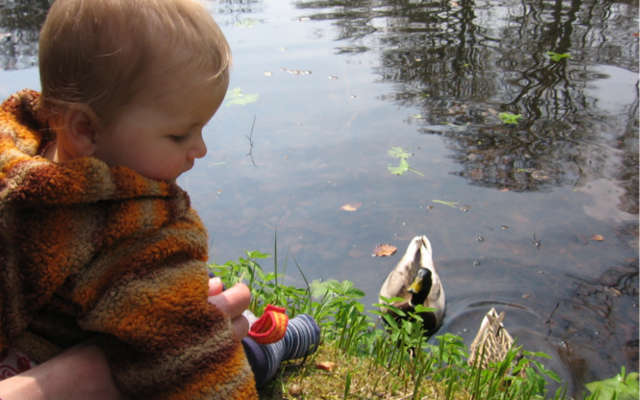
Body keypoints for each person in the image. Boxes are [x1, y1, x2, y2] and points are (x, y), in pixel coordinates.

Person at [0, 0, 319, 398]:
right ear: (86, 129)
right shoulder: (135, 231)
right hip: (95, 365)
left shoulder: (16, 161)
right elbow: (197, 369)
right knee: (226, 343)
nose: (199, 149)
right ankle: (272, 346)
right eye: (179, 135)